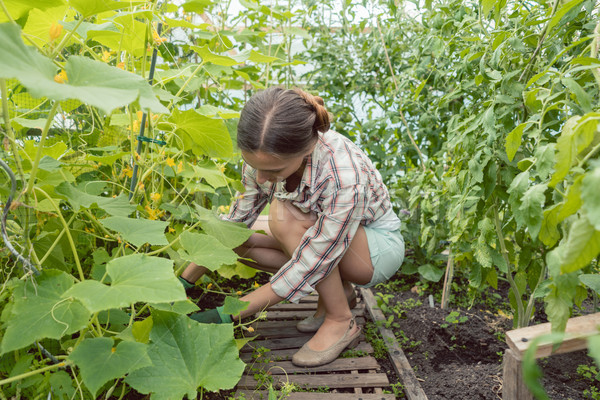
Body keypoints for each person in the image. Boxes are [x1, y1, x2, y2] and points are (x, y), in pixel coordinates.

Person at [181, 87, 405, 367]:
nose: (262, 178)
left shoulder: (343, 173)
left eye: (274, 172)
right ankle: (339, 293)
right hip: (326, 239)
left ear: (307, 150)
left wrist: (229, 313)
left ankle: (340, 319)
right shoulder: (264, 153)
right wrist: (185, 280)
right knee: (242, 241)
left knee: (283, 216)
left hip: (373, 251)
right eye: (253, 166)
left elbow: (313, 260)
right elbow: (236, 224)